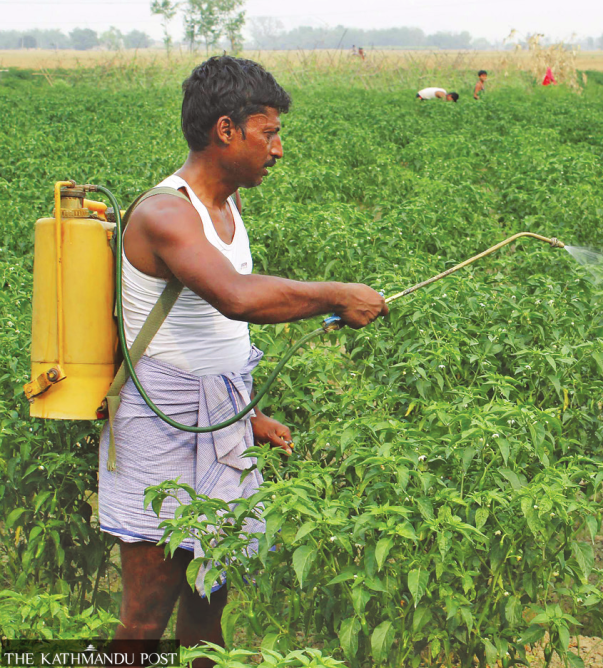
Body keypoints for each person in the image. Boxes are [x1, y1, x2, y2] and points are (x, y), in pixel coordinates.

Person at [97, 55, 387, 659]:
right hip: (160, 428)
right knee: (143, 623)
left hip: (216, 420)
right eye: (269, 132)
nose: (277, 149)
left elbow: (202, 336)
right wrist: (334, 294)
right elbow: (234, 298)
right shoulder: (165, 213)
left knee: (208, 602)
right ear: (225, 131)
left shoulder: (227, 210)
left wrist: (244, 417)